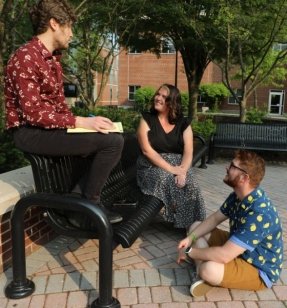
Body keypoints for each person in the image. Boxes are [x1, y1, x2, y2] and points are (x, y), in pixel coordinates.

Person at [4, 0, 124, 224]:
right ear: (54, 24)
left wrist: (87, 122)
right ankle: (89, 208)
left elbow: (59, 106)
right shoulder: (25, 57)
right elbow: (32, 113)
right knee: (113, 143)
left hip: (48, 129)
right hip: (29, 132)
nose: (72, 34)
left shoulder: (52, 60)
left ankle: (78, 202)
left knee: (115, 136)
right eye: (69, 26)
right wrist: (79, 122)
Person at [177, 150, 283, 297]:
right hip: (239, 249)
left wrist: (190, 252)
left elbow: (224, 255)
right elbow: (215, 219)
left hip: (257, 267)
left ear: (244, 178)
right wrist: (189, 239)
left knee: (210, 269)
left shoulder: (259, 213)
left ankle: (202, 271)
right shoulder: (238, 195)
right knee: (195, 228)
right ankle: (202, 273)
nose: (227, 167)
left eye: (233, 166)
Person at [136, 84, 206, 229]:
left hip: (178, 164)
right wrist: (171, 169)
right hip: (151, 165)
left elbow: (188, 151)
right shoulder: (147, 119)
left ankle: (196, 227)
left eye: (163, 96)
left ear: (172, 102)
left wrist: (182, 171)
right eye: (157, 94)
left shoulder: (183, 123)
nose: (158, 98)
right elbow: (147, 151)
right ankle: (184, 223)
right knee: (166, 179)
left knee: (191, 183)